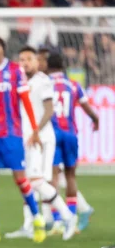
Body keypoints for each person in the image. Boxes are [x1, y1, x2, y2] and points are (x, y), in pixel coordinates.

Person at [0, 36, 46, 244]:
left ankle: (37, 217)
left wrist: (35, 128)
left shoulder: (14, 71)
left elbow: (26, 101)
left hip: (12, 133)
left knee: (20, 178)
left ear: (3, 49)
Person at [6, 46, 77, 241]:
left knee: (36, 181)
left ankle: (67, 216)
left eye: (29, 59)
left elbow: (49, 110)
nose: (25, 63)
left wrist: (36, 131)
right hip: (26, 138)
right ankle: (30, 224)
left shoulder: (43, 81)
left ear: (38, 62)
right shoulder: (17, 82)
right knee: (28, 182)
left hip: (41, 139)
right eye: (21, 59)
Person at [38, 49, 95, 231]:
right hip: (70, 133)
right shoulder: (73, 84)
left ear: (48, 65)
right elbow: (86, 106)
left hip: (52, 134)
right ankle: (71, 215)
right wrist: (96, 119)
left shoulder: (44, 84)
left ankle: (57, 219)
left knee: (52, 177)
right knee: (70, 176)